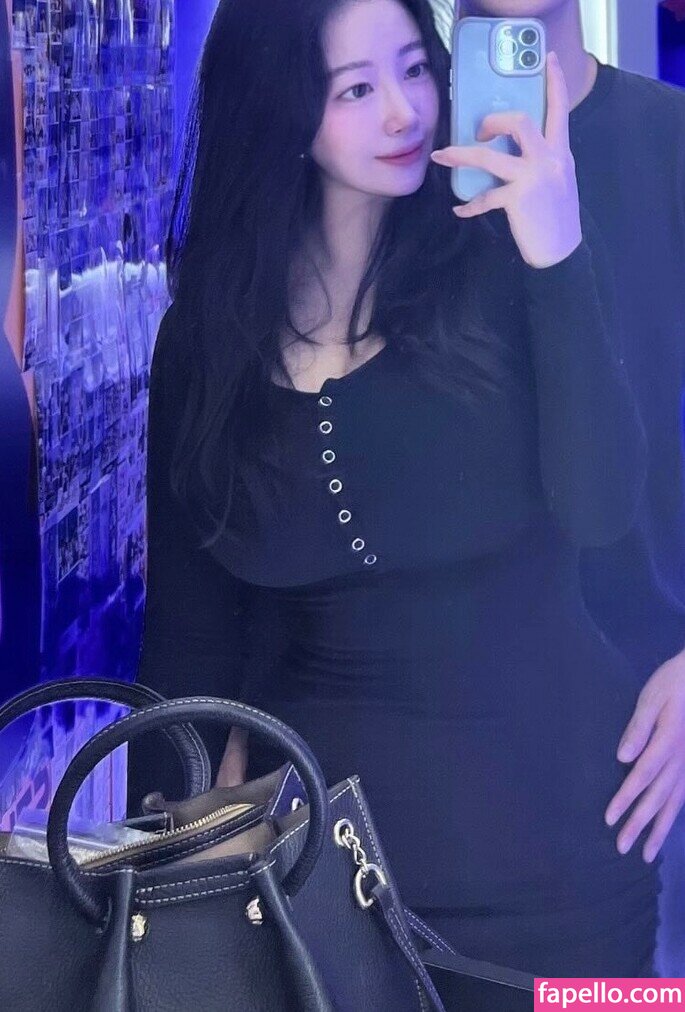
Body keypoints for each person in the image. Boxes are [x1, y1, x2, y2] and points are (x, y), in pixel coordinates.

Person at [130, 0, 675, 993]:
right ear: (280, 108)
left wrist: (557, 251)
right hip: (318, 897)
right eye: (355, 88)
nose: (403, 111)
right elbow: (187, 644)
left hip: (571, 877)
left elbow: (602, 508)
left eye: (415, 68)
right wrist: (162, 903)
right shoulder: (206, 342)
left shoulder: (502, 266)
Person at [444, 0, 685, 979]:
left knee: (616, 998)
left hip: (650, 727)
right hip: (427, 737)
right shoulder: (390, 147)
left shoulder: (668, 141)